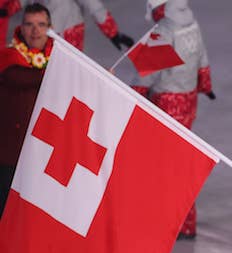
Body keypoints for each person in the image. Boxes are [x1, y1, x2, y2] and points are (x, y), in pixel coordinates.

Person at [131, 0, 215, 240]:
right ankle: (186, 222)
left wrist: (131, 95)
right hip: (188, 102)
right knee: (178, 161)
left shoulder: (164, 29)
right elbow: (202, 56)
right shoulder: (190, 23)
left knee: (166, 165)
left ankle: (172, 222)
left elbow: (146, 72)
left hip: (167, 103)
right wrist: (204, 84)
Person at [0, 2, 52, 218]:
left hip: (40, 159)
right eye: (29, 24)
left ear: (50, 28)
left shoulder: (57, 60)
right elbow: (18, 78)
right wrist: (58, 71)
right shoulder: (8, 56)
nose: (35, 30)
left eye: (41, 24)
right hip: (8, 158)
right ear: (20, 27)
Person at [0, 0, 133, 51]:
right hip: (42, 32)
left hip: (67, 32)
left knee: (66, 72)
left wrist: (112, 32)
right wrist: (8, 9)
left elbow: (93, 5)